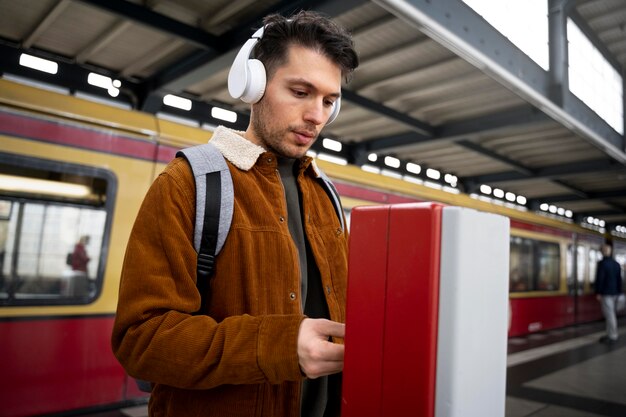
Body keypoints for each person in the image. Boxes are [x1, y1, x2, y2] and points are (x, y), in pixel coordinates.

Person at [111, 11, 359, 417]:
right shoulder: (188, 184)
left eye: (328, 101)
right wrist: (279, 346)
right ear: (253, 84)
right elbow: (141, 340)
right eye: (300, 92)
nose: (317, 115)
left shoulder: (325, 194)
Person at [595, 243, 623, 344]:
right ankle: (610, 333)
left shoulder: (602, 263)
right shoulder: (616, 264)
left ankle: (612, 335)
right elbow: (619, 279)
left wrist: (598, 292)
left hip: (606, 293)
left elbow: (600, 279)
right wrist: (619, 291)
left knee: (609, 315)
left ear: (602, 252)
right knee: (611, 314)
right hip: (615, 292)